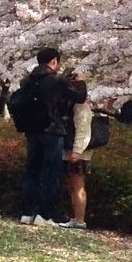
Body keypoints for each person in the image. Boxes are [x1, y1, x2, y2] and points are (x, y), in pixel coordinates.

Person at [20, 47, 87, 227]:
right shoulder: (55, 80)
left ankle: (27, 213)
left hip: (32, 131)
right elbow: (79, 97)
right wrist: (81, 82)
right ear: (54, 61)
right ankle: (45, 215)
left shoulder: (27, 80)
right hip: (52, 130)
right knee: (50, 173)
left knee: (32, 171)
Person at [60, 89, 94, 230]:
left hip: (78, 152)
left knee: (78, 185)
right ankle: (76, 218)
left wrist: (77, 150)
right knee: (73, 186)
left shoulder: (81, 106)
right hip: (73, 151)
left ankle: (79, 220)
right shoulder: (72, 105)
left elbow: (83, 130)